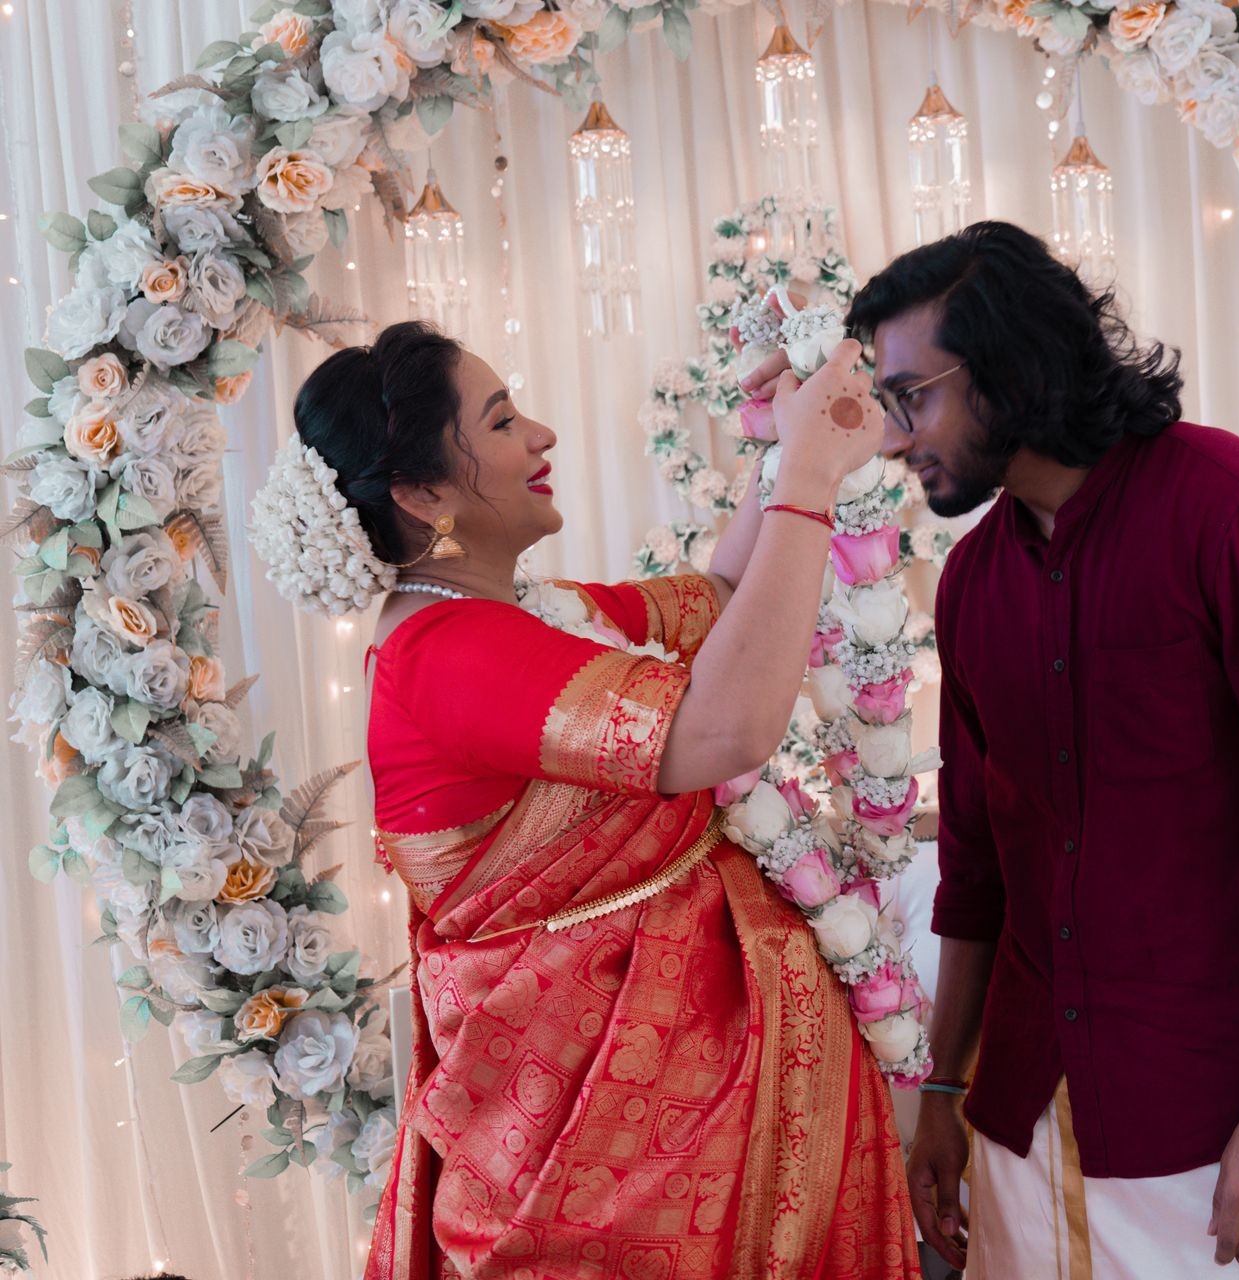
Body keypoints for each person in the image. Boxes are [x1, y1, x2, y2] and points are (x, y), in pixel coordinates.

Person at [273, 321, 918, 1279]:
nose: (542, 436)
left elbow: (727, 594)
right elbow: (722, 729)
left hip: (689, 1125)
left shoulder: (514, 614)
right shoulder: (445, 656)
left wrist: (788, 451)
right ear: (421, 494)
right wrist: (809, 484)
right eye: (500, 422)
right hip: (614, 1166)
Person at [834, 221, 1239, 1276]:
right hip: (1021, 1124)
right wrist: (946, 1096)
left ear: (1008, 369)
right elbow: (976, 873)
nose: (890, 435)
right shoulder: (973, 585)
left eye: (912, 396)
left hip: (1216, 1131)